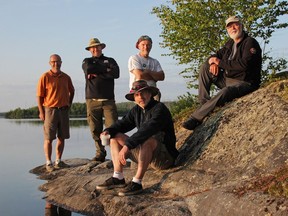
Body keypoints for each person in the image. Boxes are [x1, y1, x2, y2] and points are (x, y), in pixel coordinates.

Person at [96, 80, 179, 196]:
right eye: (136, 94)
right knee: (114, 137)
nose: (140, 97)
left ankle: (137, 182)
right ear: (134, 98)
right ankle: (118, 177)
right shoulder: (136, 110)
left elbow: (147, 130)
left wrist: (127, 146)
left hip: (164, 158)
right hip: (146, 155)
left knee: (147, 139)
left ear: (149, 93)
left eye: (143, 93)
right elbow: (122, 124)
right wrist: (107, 131)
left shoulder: (160, 109)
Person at [183, 15, 262, 130]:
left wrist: (219, 62)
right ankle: (204, 103)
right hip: (227, 80)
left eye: (235, 24)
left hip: (245, 83)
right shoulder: (230, 43)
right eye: (229, 27)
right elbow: (215, 55)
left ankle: (196, 118)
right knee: (205, 67)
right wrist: (213, 62)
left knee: (226, 91)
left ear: (241, 26)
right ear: (227, 30)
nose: (233, 28)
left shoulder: (250, 42)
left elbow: (244, 65)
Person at [82, 38, 120, 162]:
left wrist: (98, 72)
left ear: (101, 48)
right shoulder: (87, 61)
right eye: (93, 47)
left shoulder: (110, 60)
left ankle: (116, 153)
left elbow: (116, 73)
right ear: (90, 50)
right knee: (95, 129)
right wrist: (106, 70)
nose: (95, 49)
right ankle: (100, 153)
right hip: (92, 100)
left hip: (109, 100)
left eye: (97, 46)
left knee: (113, 127)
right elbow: (88, 69)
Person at [37, 54, 75, 172]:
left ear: (61, 63)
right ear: (50, 63)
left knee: (62, 137)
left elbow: (72, 91)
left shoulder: (66, 77)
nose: (56, 64)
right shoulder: (45, 77)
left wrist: (69, 103)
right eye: (53, 62)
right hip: (50, 110)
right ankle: (48, 162)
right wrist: (41, 112)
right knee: (48, 138)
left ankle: (58, 161)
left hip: (63, 110)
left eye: (58, 62)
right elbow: (39, 96)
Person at [128, 35, 165, 101]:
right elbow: (139, 75)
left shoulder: (155, 61)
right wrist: (154, 77)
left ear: (151, 46)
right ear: (138, 46)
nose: (146, 47)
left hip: (153, 93)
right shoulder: (134, 58)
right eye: (143, 45)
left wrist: (148, 72)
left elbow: (162, 77)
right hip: (139, 92)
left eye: (148, 45)